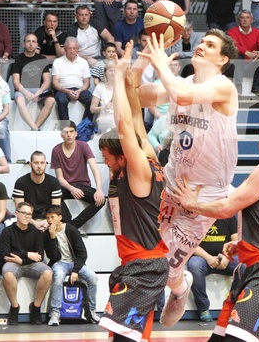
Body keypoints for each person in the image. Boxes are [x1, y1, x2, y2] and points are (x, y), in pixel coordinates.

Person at [133, 29, 239, 327]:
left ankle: (180, 288)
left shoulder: (223, 86)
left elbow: (181, 95)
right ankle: (175, 286)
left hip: (203, 195)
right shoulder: (185, 81)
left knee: (167, 269)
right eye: (202, 41)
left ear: (223, 59)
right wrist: (143, 62)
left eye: (210, 44)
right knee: (149, 256)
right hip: (171, 179)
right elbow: (138, 96)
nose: (202, 46)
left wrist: (160, 65)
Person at [171, 112, 259, 342]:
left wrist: (192, 204)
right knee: (220, 339)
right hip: (253, 267)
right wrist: (242, 242)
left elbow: (227, 208)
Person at [97, 40, 168, 341]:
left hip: (144, 264)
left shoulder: (138, 171)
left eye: (108, 158)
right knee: (130, 336)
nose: (105, 163)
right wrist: (135, 70)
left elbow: (125, 125)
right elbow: (136, 115)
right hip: (139, 264)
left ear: (123, 157)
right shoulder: (148, 157)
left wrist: (116, 74)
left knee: (124, 337)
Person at [44, 204, 100, 326]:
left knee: (92, 277)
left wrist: (75, 270)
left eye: (52, 217)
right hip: (59, 263)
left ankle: (92, 311)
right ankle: (55, 313)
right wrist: (52, 238)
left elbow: (82, 253)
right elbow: (53, 257)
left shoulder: (71, 229)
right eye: (47, 218)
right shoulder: (47, 234)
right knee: (58, 277)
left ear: (59, 217)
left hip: (75, 263)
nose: (49, 220)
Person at [0, 201, 52, 326]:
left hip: (30, 264)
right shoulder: (7, 231)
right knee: (7, 273)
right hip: (13, 263)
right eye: (24, 213)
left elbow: (40, 256)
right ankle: (14, 307)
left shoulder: (36, 232)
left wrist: (22, 259)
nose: (27, 216)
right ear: (16, 214)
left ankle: (36, 307)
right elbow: (5, 254)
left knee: (48, 273)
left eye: (29, 214)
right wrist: (27, 255)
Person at [50, 123, 105, 231]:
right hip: (66, 186)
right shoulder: (56, 150)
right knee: (53, 196)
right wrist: (71, 188)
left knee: (101, 200)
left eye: (71, 132)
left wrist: (99, 189)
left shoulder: (83, 146)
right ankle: (68, 222)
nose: (69, 135)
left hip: (82, 185)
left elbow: (94, 168)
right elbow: (60, 178)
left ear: (76, 133)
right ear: (61, 135)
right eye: (66, 132)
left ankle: (72, 226)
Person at [186, 217, 238, 322]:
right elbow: (191, 244)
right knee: (194, 265)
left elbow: (236, 241)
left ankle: (231, 304)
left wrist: (227, 257)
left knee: (243, 266)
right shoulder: (195, 216)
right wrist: (208, 258)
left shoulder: (229, 216)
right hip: (203, 259)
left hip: (225, 258)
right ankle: (203, 308)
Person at [11, 33, 56, 131]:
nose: (31, 44)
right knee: (19, 101)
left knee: (51, 100)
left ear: (37, 45)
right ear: (23, 44)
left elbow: (47, 81)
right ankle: (34, 128)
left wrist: (39, 92)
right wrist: (25, 92)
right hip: (23, 90)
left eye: (33, 42)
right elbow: (15, 82)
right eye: (28, 41)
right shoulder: (17, 60)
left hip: (38, 90)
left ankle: (35, 126)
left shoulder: (42, 59)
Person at [12, 151, 63, 230]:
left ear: (45, 164)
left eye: (42, 163)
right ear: (30, 164)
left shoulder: (54, 182)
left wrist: (47, 221)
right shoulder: (21, 183)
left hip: (48, 219)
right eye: (36, 163)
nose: (39, 166)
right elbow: (20, 210)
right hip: (28, 219)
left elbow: (55, 209)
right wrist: (34, 223)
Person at [51, 37, 93, 123]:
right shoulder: (58, 62)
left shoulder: (83, 62)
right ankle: (66, 127)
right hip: (63, 89)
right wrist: (66, 91)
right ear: (65, 49)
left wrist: (79, 91)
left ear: (78, 49)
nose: (72, 51)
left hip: (80, 89)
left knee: (92, 100)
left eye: (74, 48)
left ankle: (84, 126)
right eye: (69, 48)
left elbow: (87, 83)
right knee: (60, 99)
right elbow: (55, 83)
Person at [227, 10, 259, 95]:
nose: (245, 20)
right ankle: (238, 85)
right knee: (237, 55)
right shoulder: (232, 32)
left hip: (252, 64)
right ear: (239, 20)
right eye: (242, 18)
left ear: (251, 20)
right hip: (236, 67)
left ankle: (256, 87)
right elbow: (234, 45)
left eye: (247, 17)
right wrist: (247, 53)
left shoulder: (258, 32)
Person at [91, 60, 116, 133]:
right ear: (105, 72)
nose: (113, 73)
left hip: (118, 117)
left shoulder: (121, 88)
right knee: (114, 122)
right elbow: (92, 109)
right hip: (103, 118)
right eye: (111, 71)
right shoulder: (100, 88)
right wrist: (104, 107)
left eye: (115, 71)